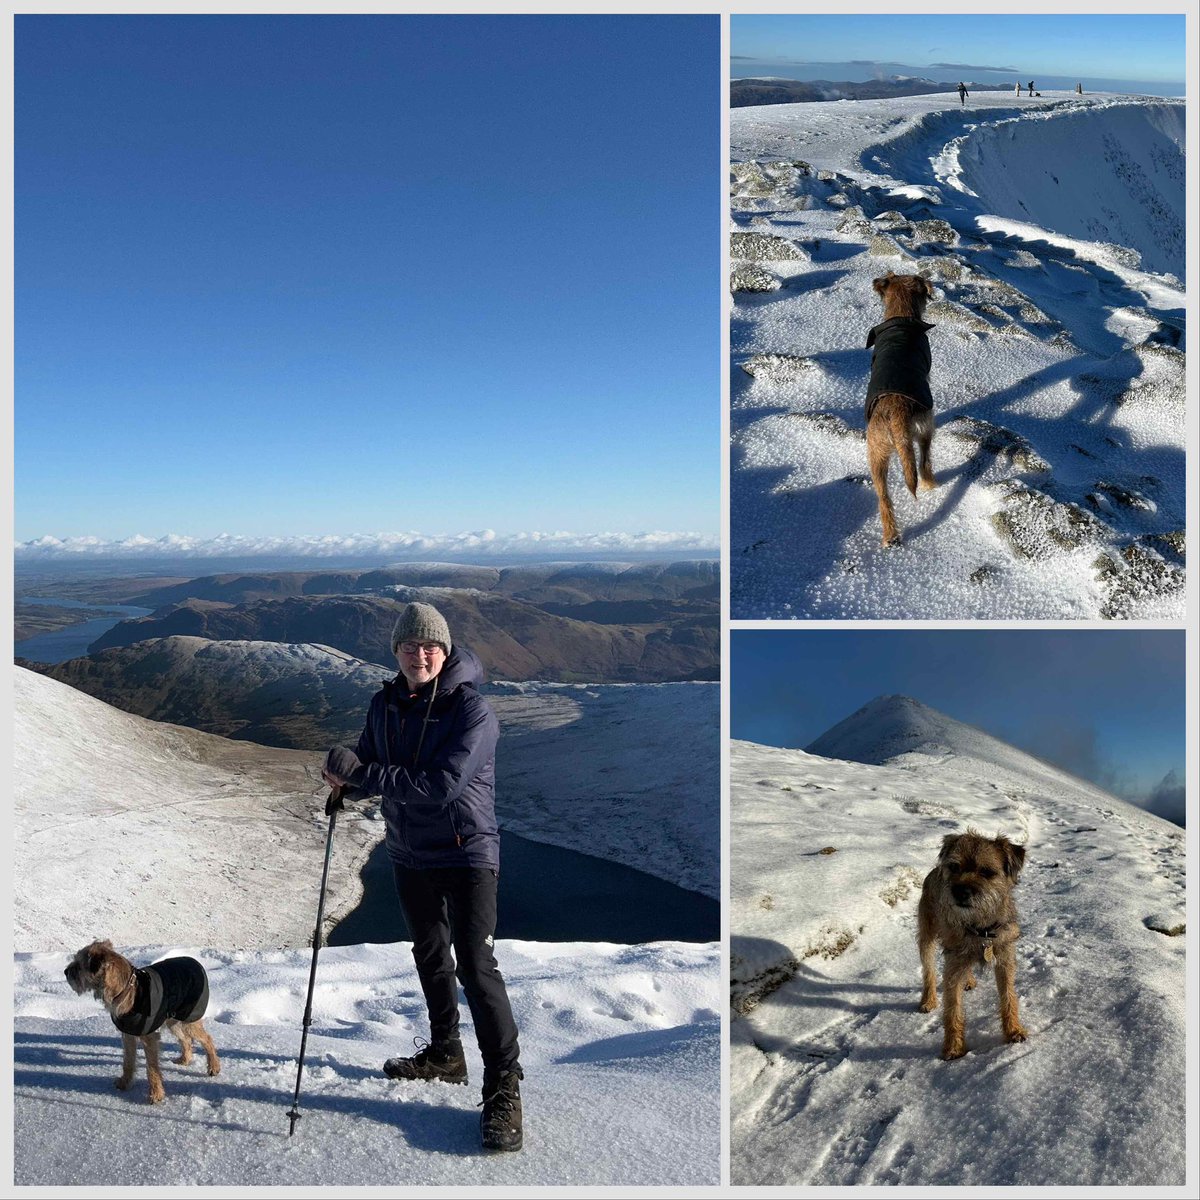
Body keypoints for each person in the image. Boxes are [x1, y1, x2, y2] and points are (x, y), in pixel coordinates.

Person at [322, 601, 523, 1152]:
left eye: (430, 645)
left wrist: (366, 774)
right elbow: (369, 766)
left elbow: (442, 787)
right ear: (396, 651)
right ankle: (445, 1054)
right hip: (411, 854)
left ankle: (504, 1088)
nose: (420, 654)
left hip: (466, 853)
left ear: (447, 649)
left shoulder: (473, 712)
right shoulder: (383, 704)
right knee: (430, 955)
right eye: (409, 646)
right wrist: (345, 783)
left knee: (476, 967)